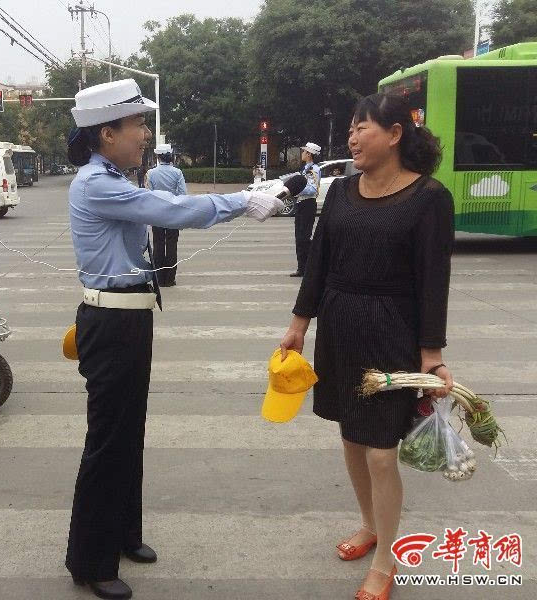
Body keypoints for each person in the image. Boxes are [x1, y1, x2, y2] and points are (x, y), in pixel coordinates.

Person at [65, 78, 286, 600]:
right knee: (108, 440)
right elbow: (172, 212)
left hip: (130, 319)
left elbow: (164, 206)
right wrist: (246, 199)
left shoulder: (116, 175)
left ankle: (123, 534)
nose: (145, 134)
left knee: (128, 432)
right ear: (105, 133)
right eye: (137, 124)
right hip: (112, 323)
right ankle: (89, 561)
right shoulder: (96, 184)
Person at [279, 92, 454, 600]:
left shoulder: (429, 198)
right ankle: (370, 523)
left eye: (363, 128)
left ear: (396, 133)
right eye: (351, 128)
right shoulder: (340, 192)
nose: (352, 137)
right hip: (340, 326)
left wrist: (431, 356)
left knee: (382, 452)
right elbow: (319, 264)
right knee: (352, 440)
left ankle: (386, 560)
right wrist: (298, 325)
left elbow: (433, 282)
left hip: (392, 333)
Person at [146, 143, 186, 287]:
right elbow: (183, 194)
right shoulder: (177, 172)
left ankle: (158, 278)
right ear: (171, 157)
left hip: (157, 213)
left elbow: (148, 195)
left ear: (158, 157)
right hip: (173, 214)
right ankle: (169, 279)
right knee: (171, 246)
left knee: (157, 245)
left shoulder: (151, 173)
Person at [290, 142, 322, 277]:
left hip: (308, 204)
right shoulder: (305, 169)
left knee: (304, 238)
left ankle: (311, 267)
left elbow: (313, 189)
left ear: (309, 154)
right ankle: (302, 268)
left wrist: (297, 188)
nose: (302, 153)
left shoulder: (314, 170)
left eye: (304, 152)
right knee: (299, 237)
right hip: (301, 204)